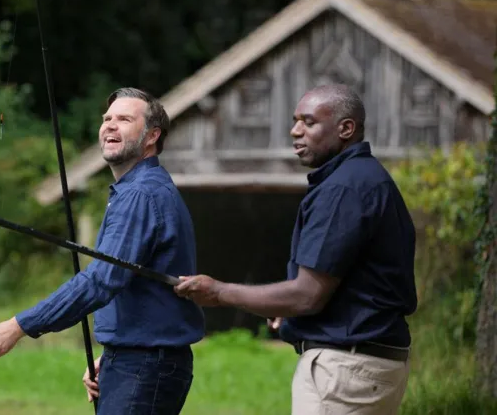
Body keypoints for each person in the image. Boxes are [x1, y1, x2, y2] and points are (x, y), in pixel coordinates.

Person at [174, 84, 416, 415]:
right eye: (295, 121)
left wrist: (218, 292)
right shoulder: (367, 178)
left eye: (309, 122)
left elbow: (307, 295)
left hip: (345, 367)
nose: (295, 131)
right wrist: (285, 306)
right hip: (370, 364)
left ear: (346, 128)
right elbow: (347, 285)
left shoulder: (343, 189)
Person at [0, 87, 205, 414]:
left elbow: (100, 281)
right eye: (107, 119)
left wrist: (18, 326)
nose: (110, 125)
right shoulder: (137, 191)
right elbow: (136, 286)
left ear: (152, 136)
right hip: (136, 361)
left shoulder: (141, 195)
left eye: (124, 119)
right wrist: (114, 355)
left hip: (144, 367)